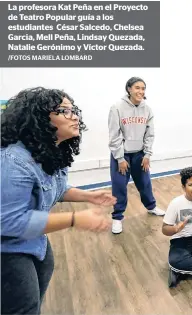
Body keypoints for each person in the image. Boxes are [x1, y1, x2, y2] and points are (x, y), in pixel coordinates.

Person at [1, 87, 116, 315]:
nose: (74, 116)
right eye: (64, 111)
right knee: (23, 305)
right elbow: (8, 221)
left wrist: (88, 196)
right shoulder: (12, 161)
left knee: (37, 288)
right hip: (7, 248)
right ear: (40, 117)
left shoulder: (51, 151)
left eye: (74, 110)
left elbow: (57, 188)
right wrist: (74, 219)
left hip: (34, 241)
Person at [108, 77, 165, 234]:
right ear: (129, 89)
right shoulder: (117, 107)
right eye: (137, 88)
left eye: (143, 88)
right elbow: (114, 135)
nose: (140, 91)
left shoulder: (147, 109)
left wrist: (147, 154)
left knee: (145, 183)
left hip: (140, 154)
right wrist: (120, 158)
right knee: (119, 187)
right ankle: (117, 218)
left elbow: (150, 134)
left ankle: (151, 207)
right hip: (122, 155)